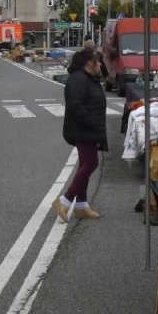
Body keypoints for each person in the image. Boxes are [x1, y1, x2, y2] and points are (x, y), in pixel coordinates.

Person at [56, 48, 108, 222]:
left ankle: (81, 205)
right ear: (89, 62)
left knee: (86, 164)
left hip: (88, 127)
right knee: (91, 163)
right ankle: (65, 201)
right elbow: (75, 105)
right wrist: (91, 122)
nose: (100, 64)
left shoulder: (88, 78)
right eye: (97, 61)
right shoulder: (78, 79)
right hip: (82, 128)